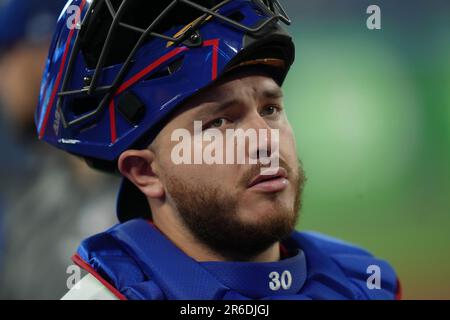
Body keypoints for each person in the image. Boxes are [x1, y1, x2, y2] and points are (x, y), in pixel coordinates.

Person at [36, 0, 400, 300]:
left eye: (270, 109)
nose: (264, 140)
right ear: (145, 173)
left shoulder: (367, 285)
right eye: (219, 123)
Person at [0, 0, 119, 299]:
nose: (3, 82)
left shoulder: (138, 173)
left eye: (7, 58)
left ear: (48, 54)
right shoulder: (32, 191)